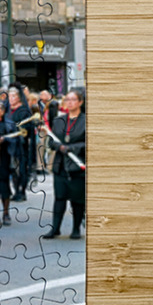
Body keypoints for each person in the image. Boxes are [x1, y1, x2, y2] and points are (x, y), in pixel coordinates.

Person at [43, 88, 87, 240]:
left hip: (77, 166)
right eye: (67, 99)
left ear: (80, 102)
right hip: (60, 165)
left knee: (77, 200)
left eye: (73, 99)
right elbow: (51, 140)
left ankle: (76, 229)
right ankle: (55, 229)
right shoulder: (59, 120)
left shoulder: (86, 120)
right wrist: (57, 146)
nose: (69, 102)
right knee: (59, 198)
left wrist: (72, 148)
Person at [5, 86, 32, 204]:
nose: (11, 98)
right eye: (9, 96)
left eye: (13, 96)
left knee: (21, 168)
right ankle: (16, 191)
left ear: (19, 97)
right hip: (9, 144)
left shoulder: (24, 110)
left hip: (20, 145)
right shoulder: (7, 110)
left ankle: (22, 191)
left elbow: (28, 128)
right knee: (12, 168)